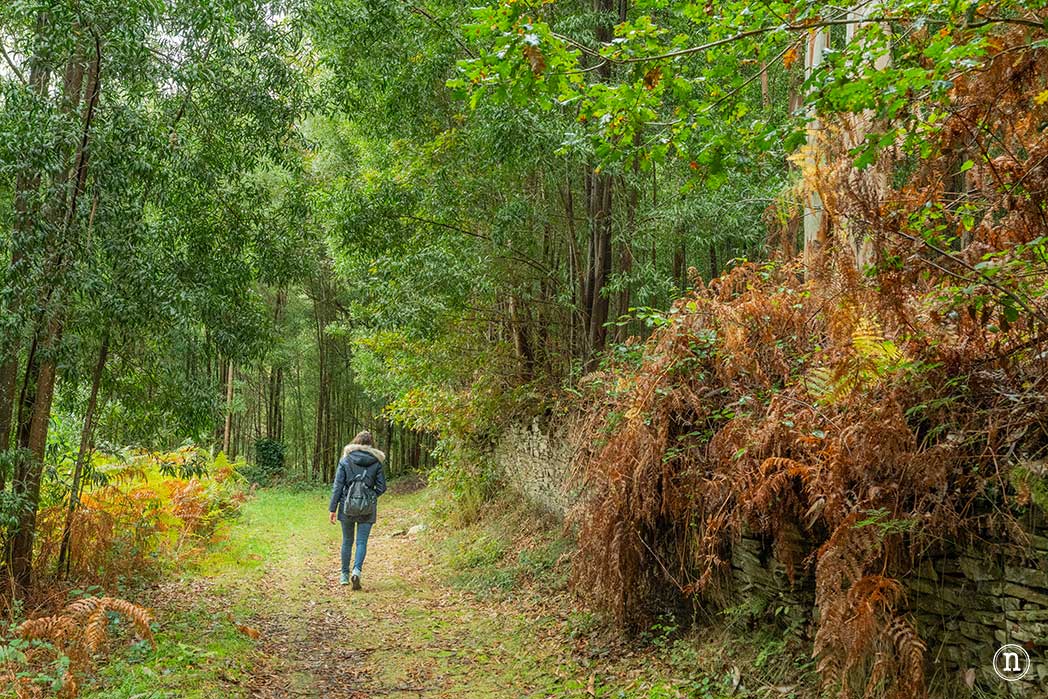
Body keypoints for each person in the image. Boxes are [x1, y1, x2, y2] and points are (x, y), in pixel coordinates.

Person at [328, 431, 387, 589]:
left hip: (346, 507)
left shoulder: (345, 460)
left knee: (347, 541)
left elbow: (338, 486)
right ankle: (357, 571)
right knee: (361, 542)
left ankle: (344, 575)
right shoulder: (376, 462)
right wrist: (370, 496)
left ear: (355, 441)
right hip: (367, 509)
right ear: (370, 444)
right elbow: (382, 487)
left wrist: (333, 508)